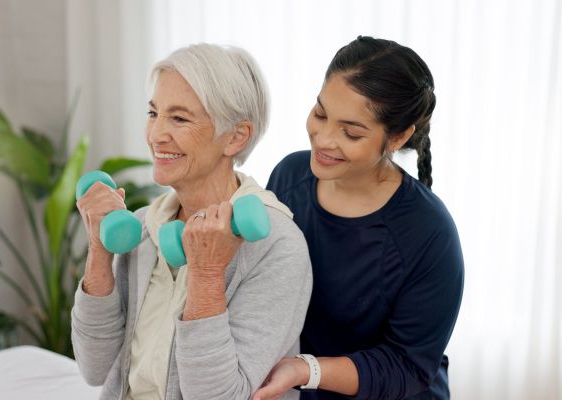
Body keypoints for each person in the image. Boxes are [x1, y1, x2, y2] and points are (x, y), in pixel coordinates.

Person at [72, 43, 313, 400]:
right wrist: (98, 248)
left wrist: (206, 273)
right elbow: (95, 368)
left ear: (236, 137)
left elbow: (218, 395)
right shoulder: (142, 227)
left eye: (180, 118)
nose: (156, 135)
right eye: (154, 113)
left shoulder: (277, 246)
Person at [253, 36, 464, 400]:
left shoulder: (429, 233)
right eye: (320, 114)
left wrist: (306, 368)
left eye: (350, 132)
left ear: (398, 136)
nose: (323, 139)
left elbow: (408, 366)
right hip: (298, 388)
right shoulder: (289, 177)